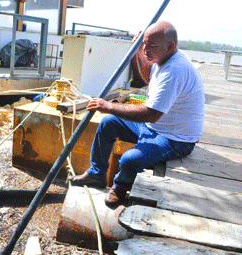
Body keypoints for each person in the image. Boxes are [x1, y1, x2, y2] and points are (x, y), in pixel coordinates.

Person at [69, 21, 205, 207]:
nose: (146, 49)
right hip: (156, 126)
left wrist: (108, 106)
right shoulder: (163, 58)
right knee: (108, 123)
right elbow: (148, 78)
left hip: (176, 138)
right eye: (144, 43)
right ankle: (97, 174)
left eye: (151, 45)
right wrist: (139, 52)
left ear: (170, 46)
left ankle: (120, 188)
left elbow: (150, 114)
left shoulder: (175, 70)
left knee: (129, 160)